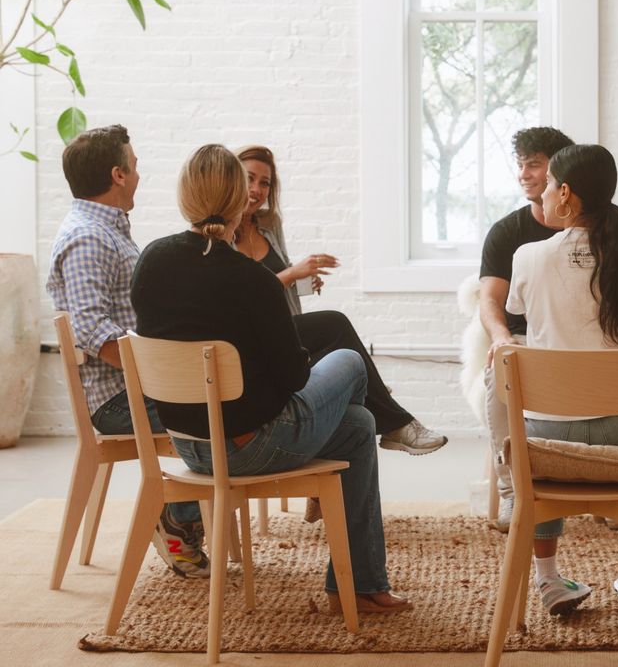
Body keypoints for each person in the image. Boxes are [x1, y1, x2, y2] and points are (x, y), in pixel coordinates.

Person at [132, 144, 411, 614]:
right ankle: (358, 584)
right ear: (242, 198)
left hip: (187, 445)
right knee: (348, 361)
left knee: (360, 427)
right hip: (248, 448)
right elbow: (294, 376)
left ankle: (361, 585)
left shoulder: (151, 261)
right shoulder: (252, 280)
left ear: (185, 197)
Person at [506, 143, 618, 617]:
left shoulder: (528, 257)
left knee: (541, 451)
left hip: (544, 433)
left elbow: (518, 316)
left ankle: (548, 582)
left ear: (566, 195)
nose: (546, 192)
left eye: (551, 184)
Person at [47, 125, 209, 578]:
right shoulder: (87, 238)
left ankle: (186, 511)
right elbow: (92, 329)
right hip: (118, 401)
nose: (139, 175)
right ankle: (177, 517)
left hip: (135, 387)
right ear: (117, 174)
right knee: (219, 406)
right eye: (134, 167)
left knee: (217, 395)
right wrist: (161, 371)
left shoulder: (107, 231)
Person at [233, 145, 445, 456]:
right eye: (249, 179)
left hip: (282, 335)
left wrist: (301, 282)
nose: (257, 190)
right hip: (252, 347)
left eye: (265, 183)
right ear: (232, 179)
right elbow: (241, 300)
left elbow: (276, 288)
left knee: (351, 401)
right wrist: (291, 274)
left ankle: (323, 497)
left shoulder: (270, 225)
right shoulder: (220, 232)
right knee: (335, 325)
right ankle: (392, 418)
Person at [478, 127, 574, 532]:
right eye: (519, 165)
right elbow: (489, 300)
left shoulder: (600, 229)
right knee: (500, 370)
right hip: (525, 342)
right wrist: (500, 337)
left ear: (559, 171)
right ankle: (511, 489)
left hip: (580, 343)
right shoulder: (506, 233)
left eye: (533, 164)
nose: (523, 174)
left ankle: (615, 483)